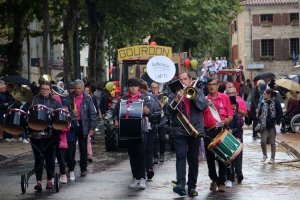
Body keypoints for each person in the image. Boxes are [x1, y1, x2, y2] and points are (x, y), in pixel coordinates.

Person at [164, 72, 208, 196]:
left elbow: (203, 106)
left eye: (185, 79)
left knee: (193, 159)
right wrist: (178, 97)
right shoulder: (173, 94)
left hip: (194, 130)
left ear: (190, 80)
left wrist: (192, 96)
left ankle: (192, 187)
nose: (183, 82)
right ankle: (181, 185)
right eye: (181, 80)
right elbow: (168, 111)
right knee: (181, 156)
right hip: (179, 130)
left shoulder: (197, 92)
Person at [22, 81, 62, 191]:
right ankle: (38, 182)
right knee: (38, 158)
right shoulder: (33, 99)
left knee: (49, 157)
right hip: (35, 133)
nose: (44, 91)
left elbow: (60, 115)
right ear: (40, 89)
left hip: (50, 134)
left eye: (47, 89)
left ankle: (50, 180)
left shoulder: (55, 102)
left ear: (50, 90)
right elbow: (25, 113)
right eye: (43, 89)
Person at [113, 77, 153, 190]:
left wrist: (144, 107)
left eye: (135, 86)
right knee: (132, 155)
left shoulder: (144, 98)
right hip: (128, 131)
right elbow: (116, 112)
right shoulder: (123, 99)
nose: (133, 88)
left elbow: (150, 113)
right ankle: (135, 177)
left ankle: (142, 178)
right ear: (128, 87)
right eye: (131, 86)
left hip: (141, 130)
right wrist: (116, 121)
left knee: (141, 154)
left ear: (138, 87)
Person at [202, 77, 234, 193]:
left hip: (221, 130)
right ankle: (213, 179)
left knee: (222, 157)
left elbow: (230, 114)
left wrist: (227, 120)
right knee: (210, 159)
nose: (212, 86)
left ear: (218, 85)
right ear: (207, 86)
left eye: (214, 84)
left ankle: (221, 182)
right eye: (209, 84)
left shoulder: (224, 98)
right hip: (208, 131)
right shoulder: (204, 100)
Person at [66, 79, 97, 176]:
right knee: (70, 148)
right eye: (75, 88)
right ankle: (71, 165)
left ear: (83, 88)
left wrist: (91, 128)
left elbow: (92, 113)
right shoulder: (69, 97)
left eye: (79, 88)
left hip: (83, 125)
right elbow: (64, 111)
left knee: (83, 148)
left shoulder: (87, 98)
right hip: (72, 125)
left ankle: (83, 168)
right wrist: (71, 113)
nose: (77, 90)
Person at [225, 86, 247, 187]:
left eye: (232, 93)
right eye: (229, 94)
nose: (230, 95)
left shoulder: (240, 102)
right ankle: (231, 173)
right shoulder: (225, 102)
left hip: (237, 132)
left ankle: (239, 172)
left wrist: (236, 110)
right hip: (227, 133)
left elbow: (245, 114)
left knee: (238, 154)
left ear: (236, 93)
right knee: (229, 154)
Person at [258, 89, 283, 164]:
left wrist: (276, 121)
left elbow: (279, 112)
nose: (263, 95)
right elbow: (260, 112)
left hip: (272, 124)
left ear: (269, 95)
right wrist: (259, 118)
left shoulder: (275, 102)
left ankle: (272, 158)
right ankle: (264, 155)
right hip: (264, 124)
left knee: (272, 142)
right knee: (263, 141)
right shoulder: (263, 102)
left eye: (265, 93)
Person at [150, 82, 168, 164]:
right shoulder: (149, 96)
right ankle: (155, 156)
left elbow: (161, 106)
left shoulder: (163, 96)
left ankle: (162, 154)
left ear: (158, 88)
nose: (154, 89)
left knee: (162, 139)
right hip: (153, 120)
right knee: (153, 139)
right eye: (153, 87)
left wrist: (156, 97)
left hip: (161, 120)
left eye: (156, 87)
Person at [56, 99, 71, 184]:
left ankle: (63, 174)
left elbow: (67, 126)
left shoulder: (64, 115)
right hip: (51, 139)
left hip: (61, 140)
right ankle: (51, 177)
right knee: (50, 159)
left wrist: (60, 130)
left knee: (61, 159)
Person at [84, 85, 99, 160]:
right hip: (85, 120)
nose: (86, 92)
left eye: (87, 90)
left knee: (88, 138)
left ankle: (89, 155)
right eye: (85, 90)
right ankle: (85, 155)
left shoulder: (91, 98)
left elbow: (95, 108)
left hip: (89, 118)